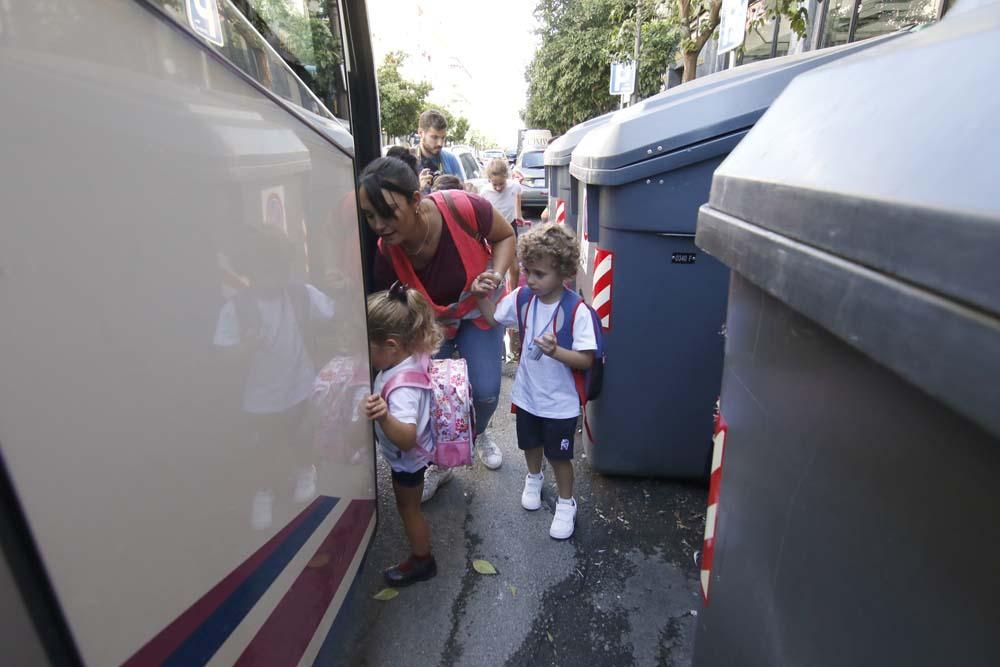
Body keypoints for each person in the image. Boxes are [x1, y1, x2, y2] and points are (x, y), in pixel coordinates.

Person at [358, 157, 515, 502]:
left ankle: (481, 431)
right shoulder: (386, 253)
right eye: (371, 216)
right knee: (431, 400)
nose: (379, 225)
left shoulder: (462, 206)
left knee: (486, 391)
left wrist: (497, 277)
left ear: (416, 201)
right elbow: (395, 307)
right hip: (431, 325)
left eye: (388, 212)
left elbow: (505, 236)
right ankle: (441, 464)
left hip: (477, 312)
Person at [473, 223, 596, 539]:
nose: (531, 280)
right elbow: (493, 319)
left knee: (560, 455)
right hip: (528, 394)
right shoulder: (523, 297)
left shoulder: (576, 310)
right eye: (528, 271)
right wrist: (481, 296)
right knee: (530, 443)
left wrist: (557, 352)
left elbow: (585, 360)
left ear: (564, 272)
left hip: (561, 401)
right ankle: (533, 477)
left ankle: (566, 502)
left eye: (540, 274)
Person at [214, 225, 336, 530]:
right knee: (263, 448)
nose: (274, 276)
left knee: (302, 434)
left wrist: (341, 291)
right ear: (249, 269)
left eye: (280, 267)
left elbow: (331, 313)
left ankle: (306, 469)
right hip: (259, 397)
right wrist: (246, 348)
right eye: (265, 268)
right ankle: (263, 492)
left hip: (301, 384)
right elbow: (222, 355)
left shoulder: (299, 294)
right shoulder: (236, 308)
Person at [363, 283, 443, 586]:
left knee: (408, 508)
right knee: (408, 506)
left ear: (392, 346)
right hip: (413, 457)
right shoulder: (410, 357)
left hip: (408, 461)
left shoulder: (403, 388)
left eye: (369, 346)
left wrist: (383, 415)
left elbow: (407, 437)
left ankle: (423, 560)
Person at [479, 158, 525, 359]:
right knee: (496, 263)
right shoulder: (484, 192)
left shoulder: (514, 187)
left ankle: (512, 293)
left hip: (510, 227)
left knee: (514, 267)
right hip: (493, 230)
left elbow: (517, 200)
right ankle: (498, 292)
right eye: (494, 184)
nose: (498, 188)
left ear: (507, 178)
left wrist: (519, 215)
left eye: (501, 184)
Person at [415, 109, 464, 194]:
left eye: (443, 138)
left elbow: (462, 195)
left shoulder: (451, 159)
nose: (440, 143)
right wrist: (419, 188)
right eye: (434, 137)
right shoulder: (407, 161)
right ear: (421, 133)